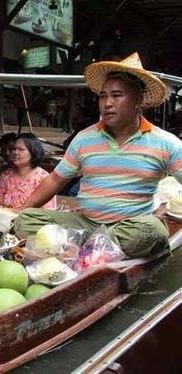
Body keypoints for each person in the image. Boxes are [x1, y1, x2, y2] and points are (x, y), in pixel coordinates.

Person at [15, 53, 182, 258]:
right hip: (85, 224)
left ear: (137, 100)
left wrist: (165, 210)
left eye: (117, 95)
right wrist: (19, 211)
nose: (107, 103)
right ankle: (92, 251)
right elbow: (56, 180)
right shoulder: (84, 139)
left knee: (152, 230)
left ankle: (80, 250)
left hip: (127, 229)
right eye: (103, 96)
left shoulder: (165, 143)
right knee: (26, 220)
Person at [0, 133, 57, 210]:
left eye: (21, 149)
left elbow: (47, 210)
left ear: (33, 152)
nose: (15, 152)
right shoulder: (6, 175)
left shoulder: (43, 178)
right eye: (14, 149)